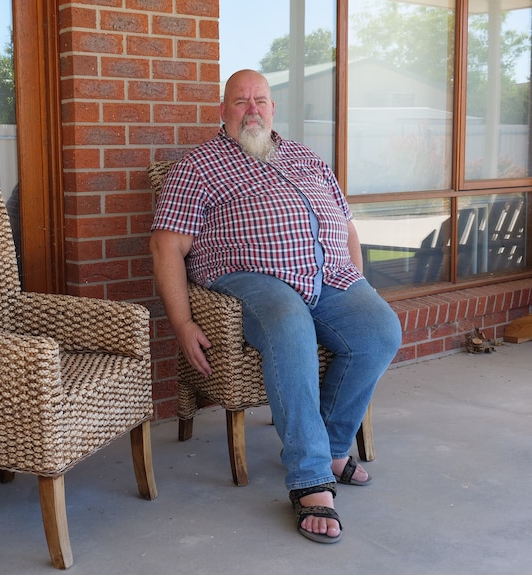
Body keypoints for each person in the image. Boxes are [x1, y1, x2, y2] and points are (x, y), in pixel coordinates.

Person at [150, 69, 402, 544]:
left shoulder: (306, 157)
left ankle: (328, 447)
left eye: (260, 100)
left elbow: (346, 227)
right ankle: (310, 480)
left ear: (272, 108)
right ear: (223, 111)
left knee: (381, 331)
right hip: (251, 279)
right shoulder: (198, 166)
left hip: (328, 276)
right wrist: (181, 323)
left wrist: (359, 285)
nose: (252, 109)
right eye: (241, 101)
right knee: (289, 324)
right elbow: (166, 248)